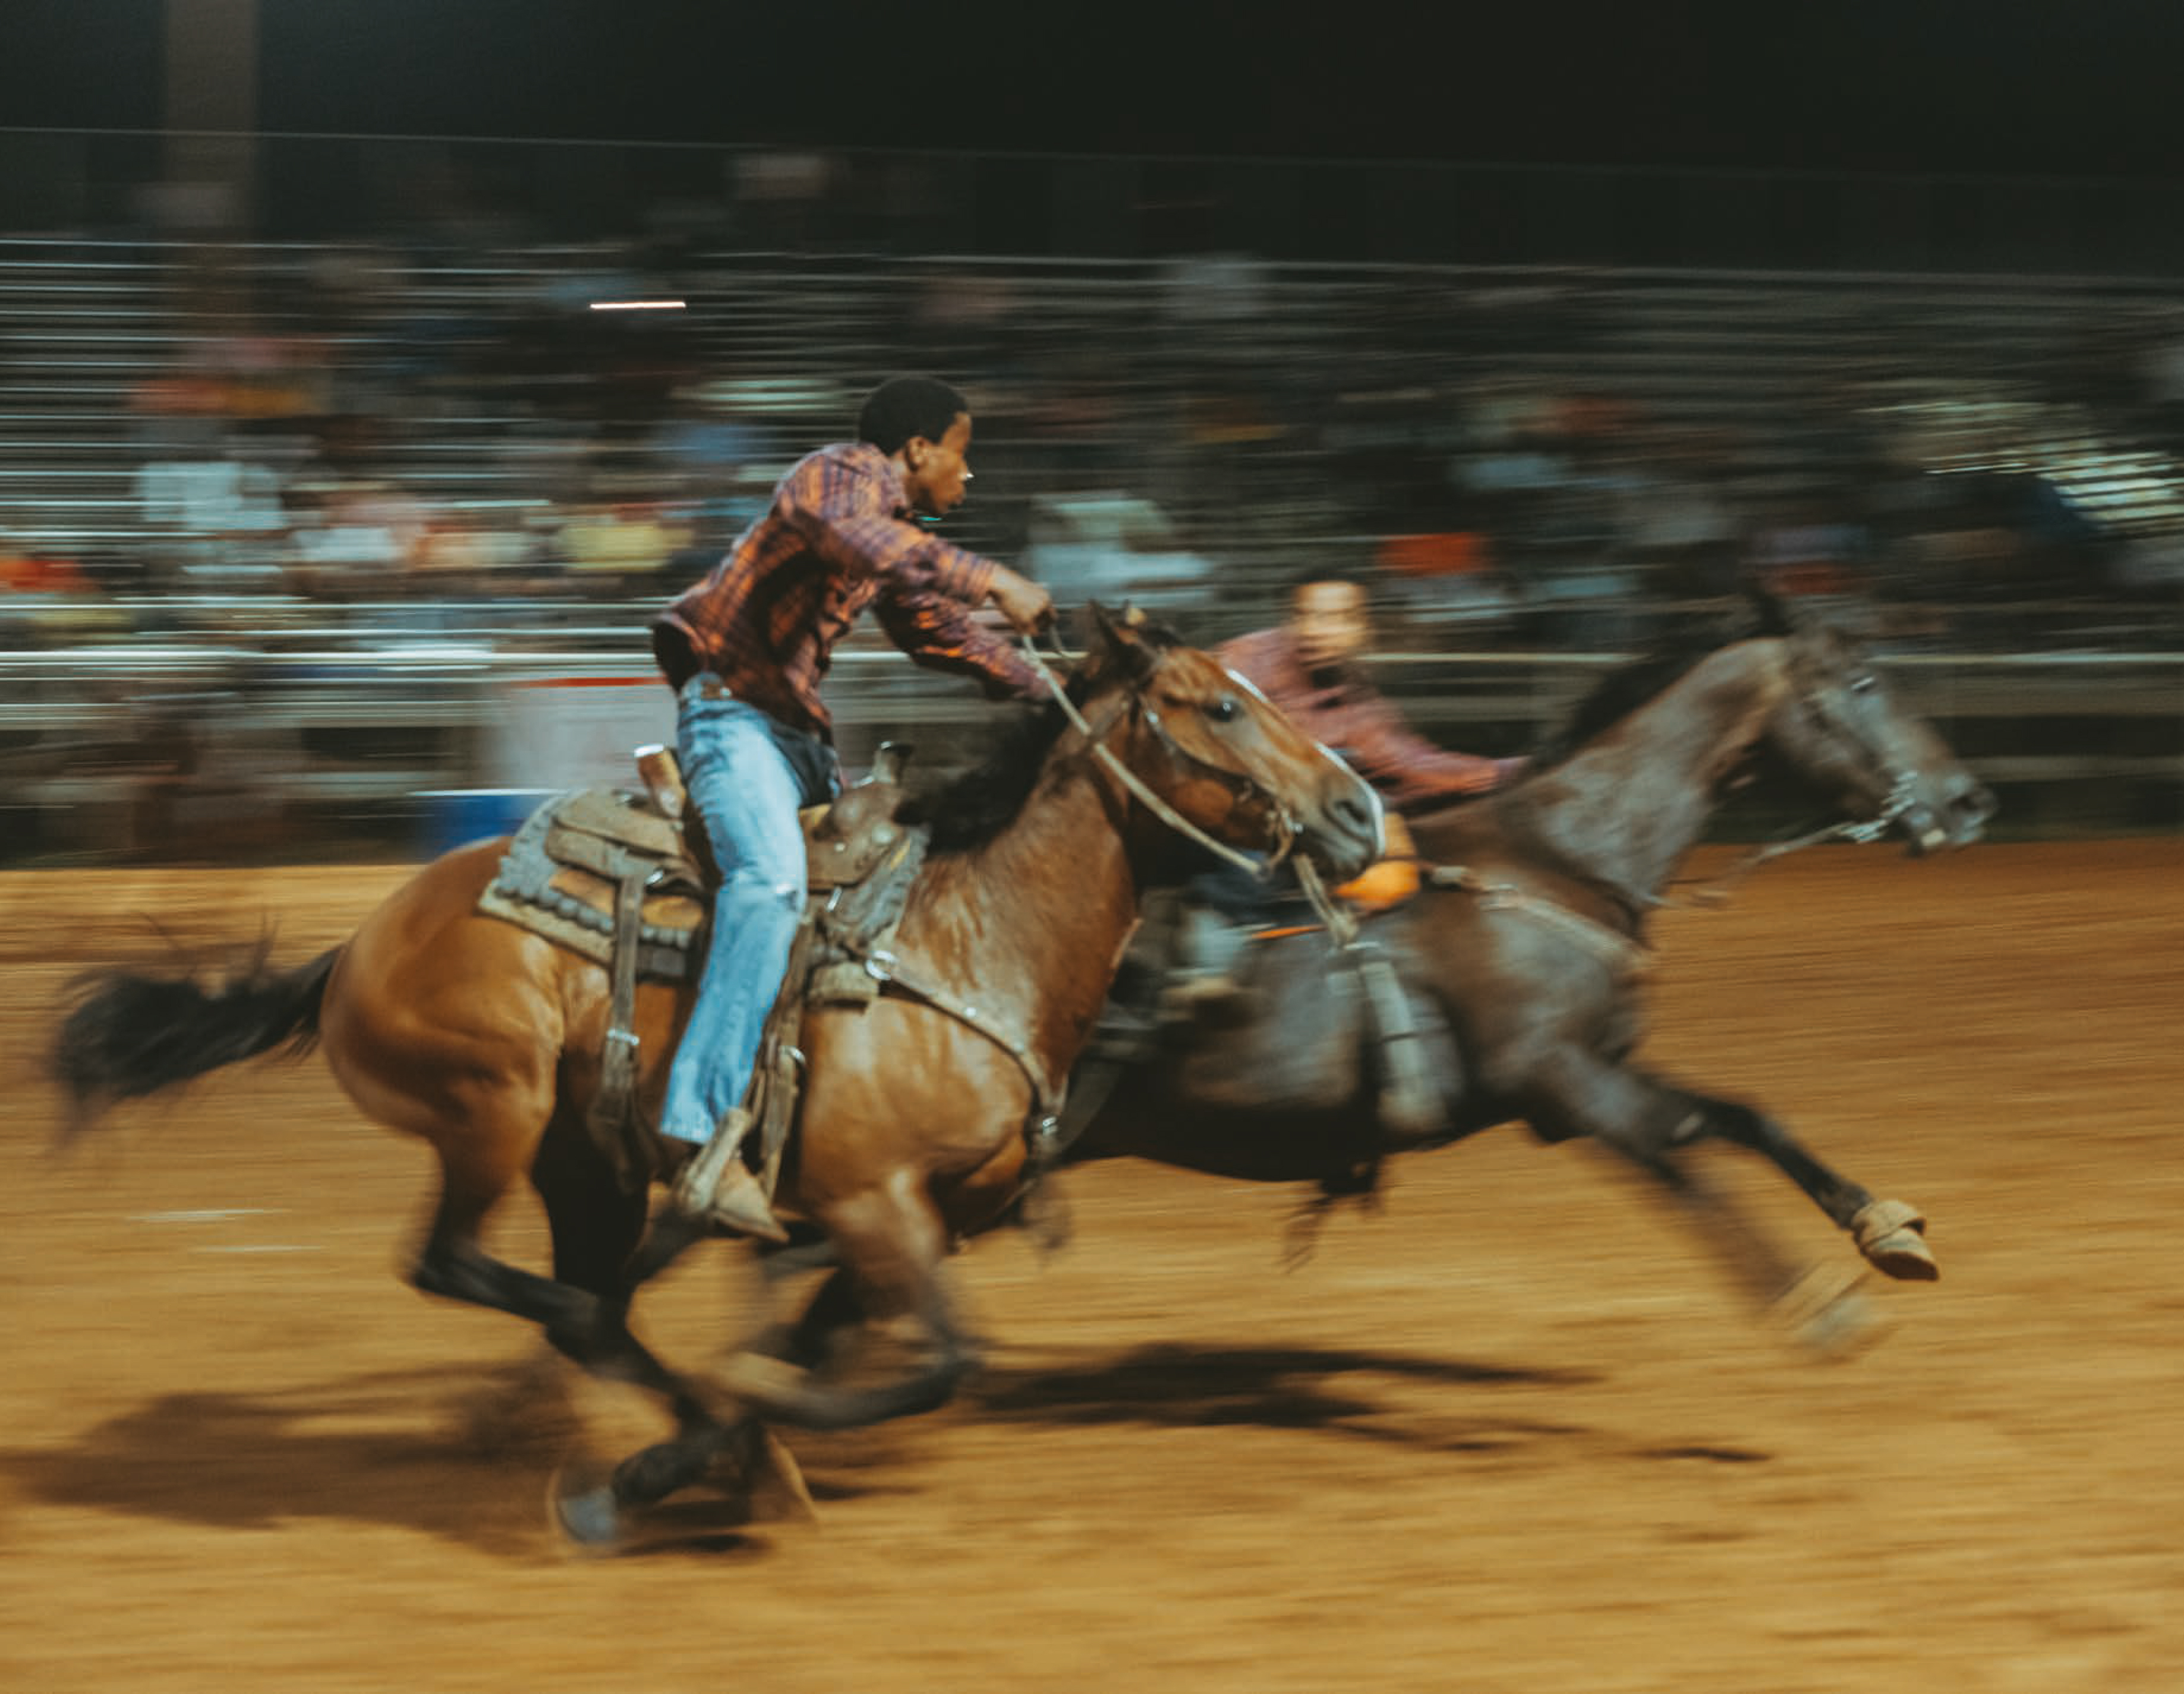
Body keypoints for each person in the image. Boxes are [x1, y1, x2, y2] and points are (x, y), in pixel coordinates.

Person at [648, 376, 1055, 1238]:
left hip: (791, 734)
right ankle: (697, 1130)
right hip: (734, 714)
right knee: (768, 884)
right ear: (918, 450)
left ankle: (828, 1115)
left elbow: (930, 625)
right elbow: (863, 542)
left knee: (882, 899)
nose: (967, 476)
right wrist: (993, 578)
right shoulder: (836, 477)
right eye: (962, 454)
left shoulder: (899, 534)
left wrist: (1045, 682)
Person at [1169, 564, 1523, 1009]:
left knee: (1382, 809)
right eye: (1306, 616)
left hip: (1292, 821)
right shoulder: (1244, 661)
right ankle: (1210, 957)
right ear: (1291, 620)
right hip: (1203, 808)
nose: (1317, 631)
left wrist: (1509, 772)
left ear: (1360, 627)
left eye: (1335, 618)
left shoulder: (1351, 694)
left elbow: (1407, 762)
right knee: (1250, 805)